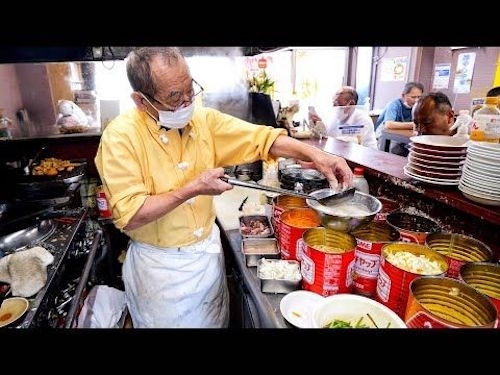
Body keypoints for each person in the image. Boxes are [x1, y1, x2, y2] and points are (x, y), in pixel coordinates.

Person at [94, 47, 353, 329]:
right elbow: (130, 214)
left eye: (189, 89)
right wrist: (191, 189)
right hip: (160, 272)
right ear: (141, 100)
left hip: (206, 260)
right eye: (173, 97)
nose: (185, 102)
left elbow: (263, 139)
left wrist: (317, 155)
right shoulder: (120, 137)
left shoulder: (203, 120)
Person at [308, 86, 378, 148]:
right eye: (333, 104)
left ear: (351, 104)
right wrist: (320, 125)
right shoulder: (335, 117)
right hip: (342, 155)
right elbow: (327, 135)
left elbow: (353, 142)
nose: (334, 108)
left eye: (337, 104)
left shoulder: (363, 120)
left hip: (364, 158)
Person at [374, 81, 424, 156]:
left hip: (403, 137)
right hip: (385, 135)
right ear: (403, 95)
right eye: (413, 97)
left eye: (419, 97)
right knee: (393, 151)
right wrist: (413, 124)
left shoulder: (418, 107)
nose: (416, 100)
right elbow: (388, 124)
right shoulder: (394, 105)